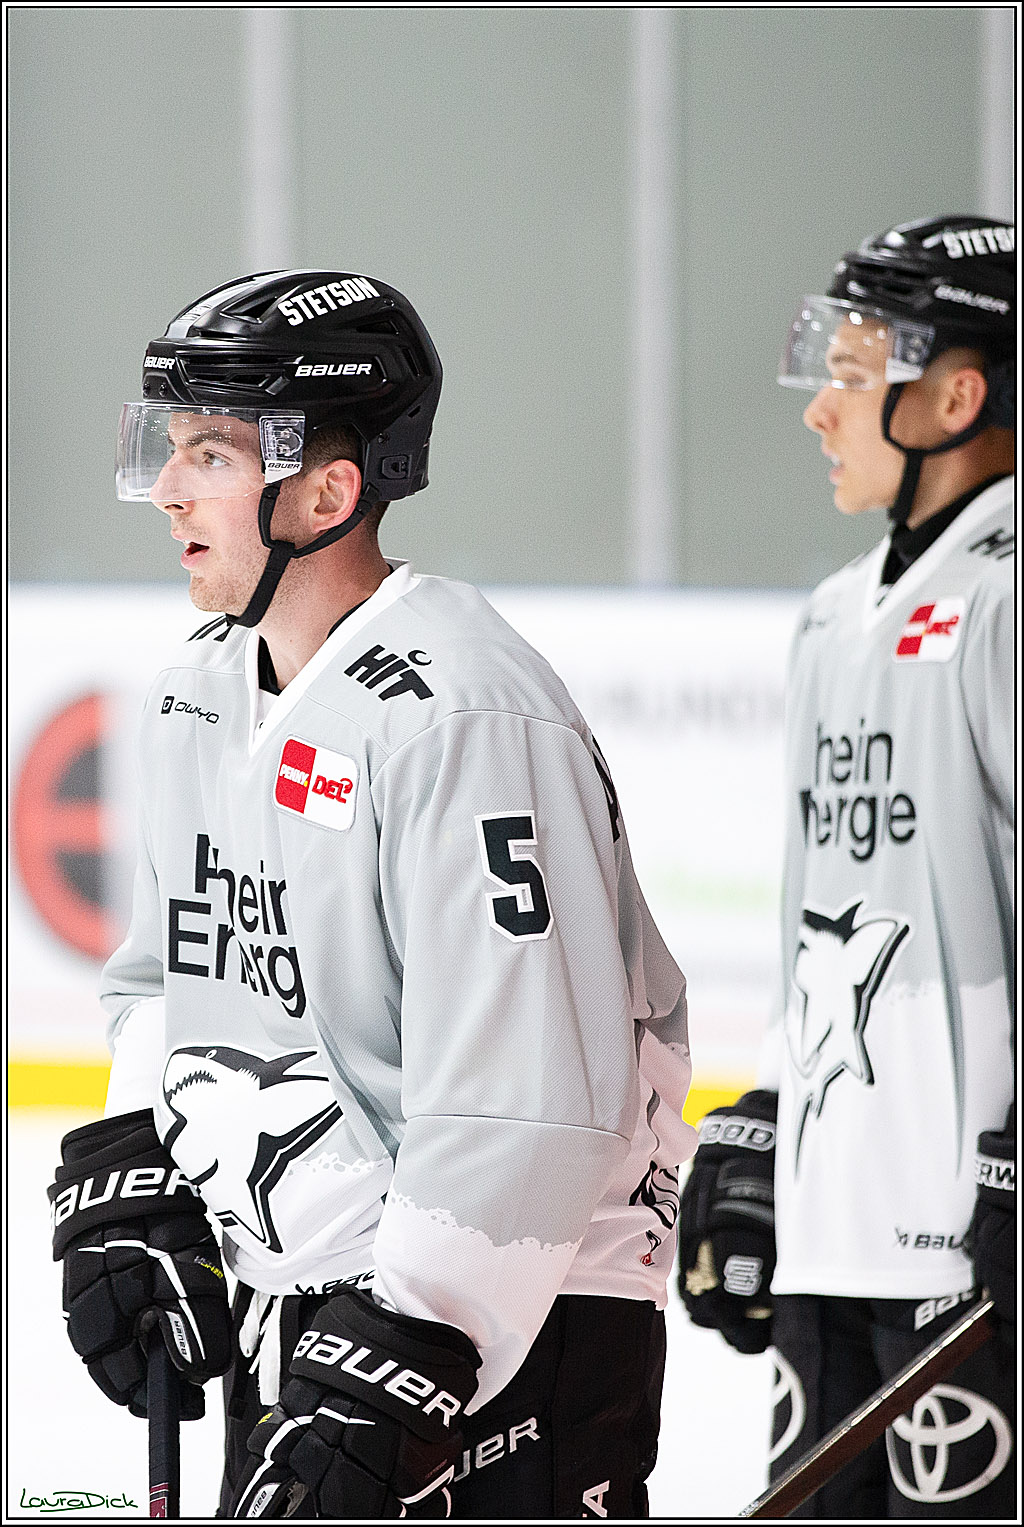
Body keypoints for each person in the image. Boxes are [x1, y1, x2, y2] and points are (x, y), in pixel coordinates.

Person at [47, 269, 697, 1520]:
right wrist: (140, 1162)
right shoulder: (197, 691)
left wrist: (405, 1346)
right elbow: (163, 980)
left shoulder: (466, 713)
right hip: (315, 1320)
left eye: (209, 455)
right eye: (166, 450)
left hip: (501, 1339)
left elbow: (530, 1094)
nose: (169, 490)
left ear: (329, 491)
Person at [676, 216, 1015, 1517]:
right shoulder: (831, 616)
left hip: (975, 1247)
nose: (822, 409)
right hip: (840, 1236)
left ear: (955, 393)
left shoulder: (1006, 596)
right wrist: (767, 1112)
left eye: (853, 368)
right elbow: (834, 914)